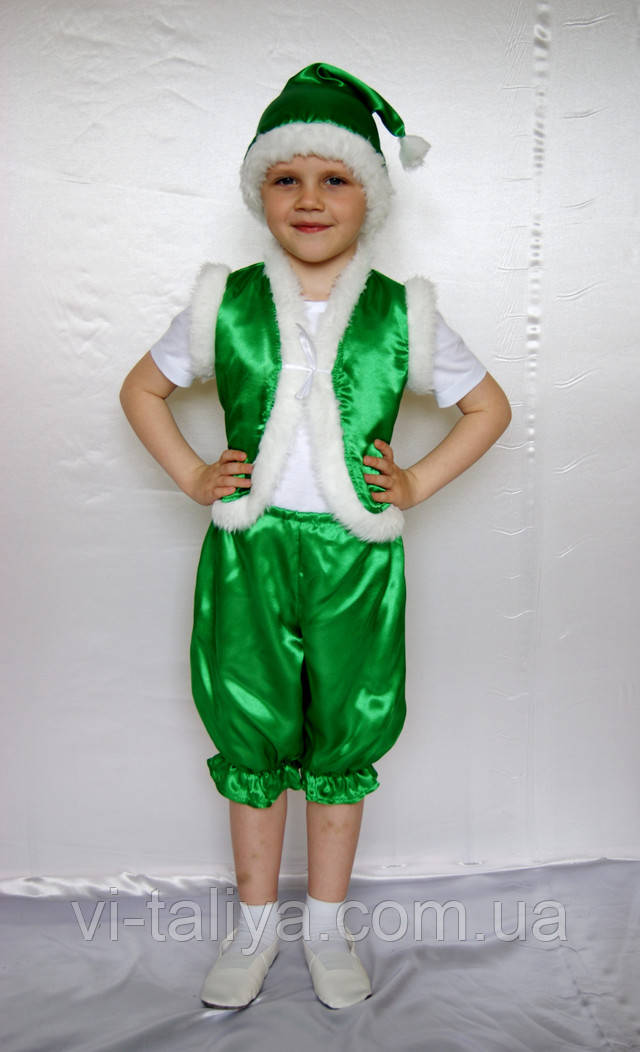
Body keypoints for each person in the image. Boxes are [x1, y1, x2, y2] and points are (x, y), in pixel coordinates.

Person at [120, 62, 511, 1011]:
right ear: (258, 192)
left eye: (335, 177)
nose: (309, 198)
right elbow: (142, 390)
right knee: (252, 733)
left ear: (369, 195)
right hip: (249, 554)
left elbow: (489, 408)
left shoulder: (402, 311)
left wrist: (414, 482)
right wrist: (193, 475)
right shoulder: (224, 303)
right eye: (286, 177)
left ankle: (327, 925)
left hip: (354, 560)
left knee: (342, 734)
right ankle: (255, 927)